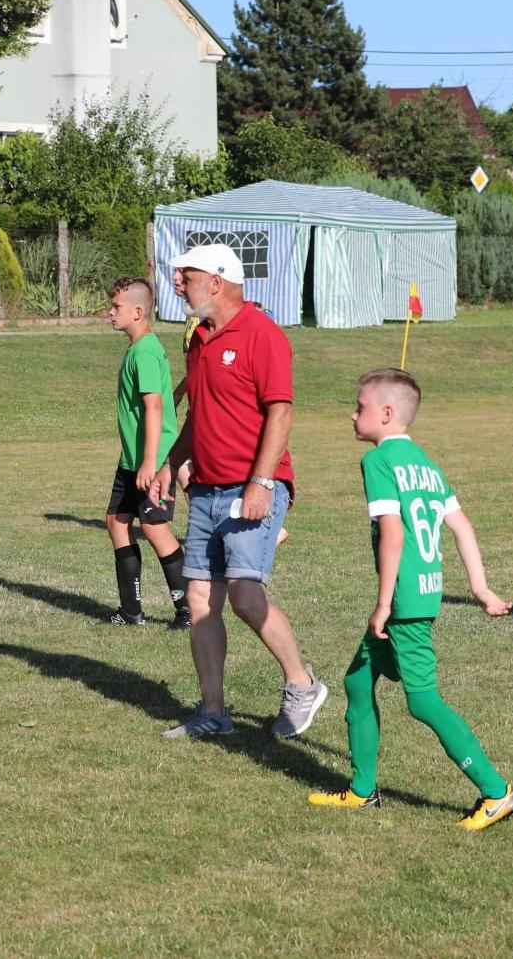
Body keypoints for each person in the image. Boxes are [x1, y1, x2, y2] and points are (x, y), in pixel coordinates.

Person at [307, 369, 513, 830]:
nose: (352, 414)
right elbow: (462, 527)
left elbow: (393, 532)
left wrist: (384, 603)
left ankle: (496, 791)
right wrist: (481, 589)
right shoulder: (425, 462)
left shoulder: (379, 463)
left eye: (360, 407)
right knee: (359, 682)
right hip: (423, 594)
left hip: (404, 603)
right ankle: (363, 791)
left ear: (386, 414)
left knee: (423, 701)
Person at [146, 242, 325, 740]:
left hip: (252, 486)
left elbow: (280, 412)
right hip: (203, 488)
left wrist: (261, 481)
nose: (178, 284)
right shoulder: (198, 338)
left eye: (186, 276)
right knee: (200, 600)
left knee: (246, 597)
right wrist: (172, 462)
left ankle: (302, 682)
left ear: (217, 281)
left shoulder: (261, 334)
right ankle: (214, 712)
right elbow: (200, 414)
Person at [104, 277, 190, 630]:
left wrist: (150, 462)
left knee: (155, 529)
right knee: (116, 522)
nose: (110, 313)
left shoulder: (146, 351)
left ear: (138, 312)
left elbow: (154, 407)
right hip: (133, 461)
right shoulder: (137, 349)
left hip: (150, 463)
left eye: (116, 307)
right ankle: (130, 610)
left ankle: (187, 610)